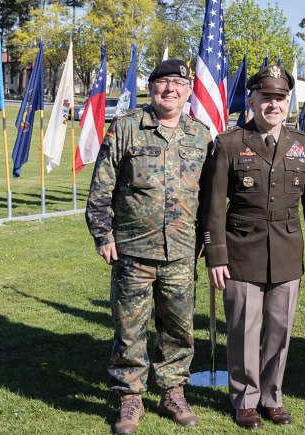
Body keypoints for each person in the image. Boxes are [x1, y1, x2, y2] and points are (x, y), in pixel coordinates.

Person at [200, 64, 305, 429]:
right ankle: (244, 400)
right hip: (241, 251)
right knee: (242, 330)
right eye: (266, 97)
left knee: (279, 330)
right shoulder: (229, 143)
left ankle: (272, 397)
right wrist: (216, 255)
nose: (273, 104)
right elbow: (213, 206)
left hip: (287, 252)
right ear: (252, 99)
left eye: (280, 98)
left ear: (288, 102)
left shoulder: (303, 145)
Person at [85, 59, 211, 435]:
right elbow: (100, 190)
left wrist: (206, 239)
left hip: (181, 253)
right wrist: (103, 235)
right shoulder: (125, 128)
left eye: (177, 83)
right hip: (132, 251)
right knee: (130, 328)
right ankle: (130, 396)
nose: (169, 90)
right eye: (162, 83)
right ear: (150, 88)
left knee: (179, 327)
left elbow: (211, 196)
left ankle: (173, 391)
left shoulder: (200, 135)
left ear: (188, 91)